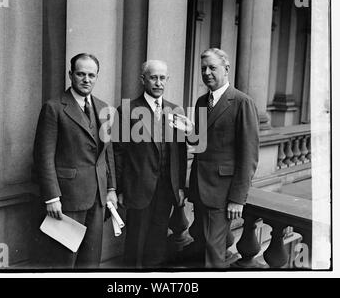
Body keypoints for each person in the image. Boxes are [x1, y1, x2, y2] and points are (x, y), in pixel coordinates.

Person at [174, 48, 259, 268]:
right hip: (200, 187)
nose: (207, 72)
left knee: (214, 252)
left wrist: (238, 198)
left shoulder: (242, 102)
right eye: (203, 68)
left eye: (213, 67)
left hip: (222, 192)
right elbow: (202, 143)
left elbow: (249, 156)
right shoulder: (203, 101)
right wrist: (189, 132)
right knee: (201, 245)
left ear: (226, 69)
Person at [33, 53, 117, 268]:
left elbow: (108, 153)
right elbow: (43, 156)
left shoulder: (103, 107)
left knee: (91, 261)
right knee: (65, 261)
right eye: (81, 74)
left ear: (97, 77)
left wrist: (111, 189)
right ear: (71, 75)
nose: (86, 79)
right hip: (67, 199)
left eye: (91, 75)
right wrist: (52, 197)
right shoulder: (54, 107)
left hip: (98, 198)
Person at [113, 60, 187, 268]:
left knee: (157, 245)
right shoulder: (127, 110)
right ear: (143, 80)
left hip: (166, 190)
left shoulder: (175, 110)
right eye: (153, 77)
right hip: (138, 189)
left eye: (162, 78)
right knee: (135, 245)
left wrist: (179, 186)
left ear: (167, 80)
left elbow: (180, 153)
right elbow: (119, 152)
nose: (158, 82)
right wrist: (119, 188)